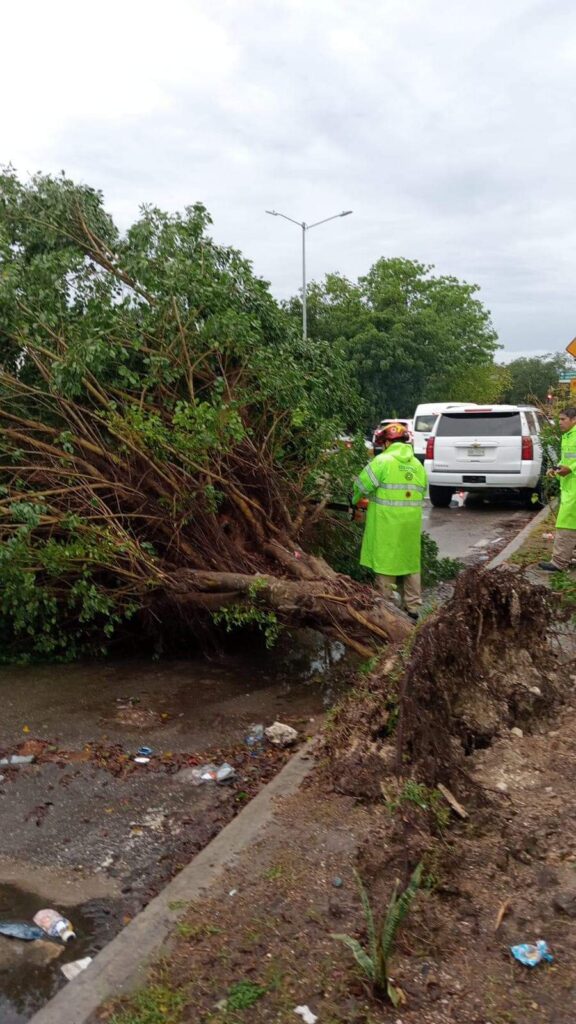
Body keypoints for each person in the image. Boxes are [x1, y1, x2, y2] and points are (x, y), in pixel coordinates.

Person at [352, 421, 427, 619]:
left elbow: (360, 486)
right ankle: (413, 610)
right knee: (410, 562)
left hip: (386, 524)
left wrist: (355, 501)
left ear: (385, 443)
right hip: (410, 525)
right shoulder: (418, 466)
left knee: (386, 563)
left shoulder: (382, 462)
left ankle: (386, 609)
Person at [539, 406, 576, 571]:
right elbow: (568, 458)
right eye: (559, 419)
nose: (559, 422)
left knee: (566, 524)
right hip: (569, 487)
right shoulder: (568, 436)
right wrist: (556, 468)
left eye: (563, 419)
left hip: (573, 489)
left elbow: (572, 463)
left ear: (574, 419)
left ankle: (559, 562)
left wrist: (571, 469)